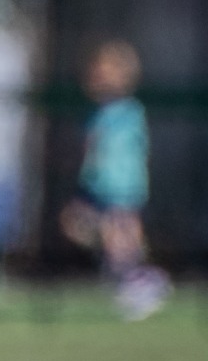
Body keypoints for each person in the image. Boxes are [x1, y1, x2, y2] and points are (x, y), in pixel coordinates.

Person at [60, 40, 169, 320]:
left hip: (120, 186)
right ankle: (138, 276)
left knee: (119, 239)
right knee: (77, 224)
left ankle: (141, 283)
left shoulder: (128, 112)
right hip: (97, 185)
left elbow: (124, 151)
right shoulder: (99, 112)